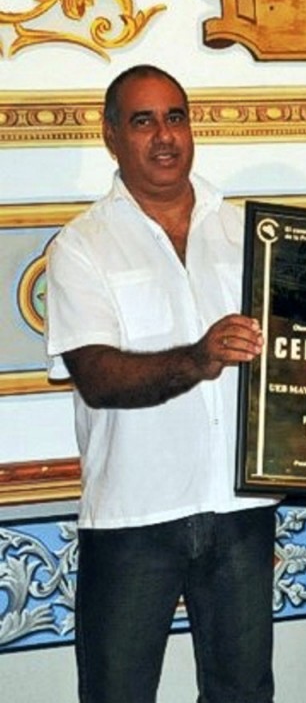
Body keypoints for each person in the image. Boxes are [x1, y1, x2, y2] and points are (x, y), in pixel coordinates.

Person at [45, 65, 277, 703]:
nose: (164, 136)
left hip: (240, 511)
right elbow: (98, 377)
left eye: (175, 116)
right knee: (116, 693)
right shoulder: (82, 245)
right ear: (111, 135)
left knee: (245, 693)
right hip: (132, 516)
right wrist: (197, 359)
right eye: (143, 121)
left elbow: (300, 368)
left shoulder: (250, 234)